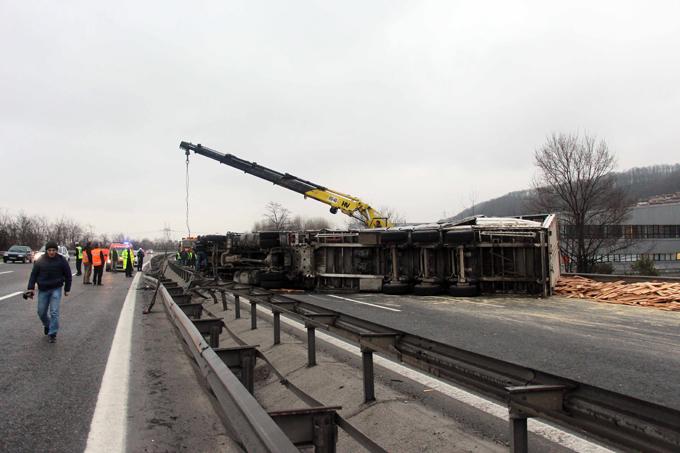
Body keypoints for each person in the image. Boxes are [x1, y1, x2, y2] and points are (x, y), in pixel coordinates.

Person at [27, 241, 72, 343]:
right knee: (41, 312)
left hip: (56, 288)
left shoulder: (62, 260)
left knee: (54, 312)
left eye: (54, 250)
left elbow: (68, 275)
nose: (52, 252)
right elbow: (33, 275)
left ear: (56, 250)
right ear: (46, 250)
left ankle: (53, 333)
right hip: (43, 289)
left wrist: (67, 289)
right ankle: (48, 325)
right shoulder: (40, 260)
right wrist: (31, 288)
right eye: (49, 250)